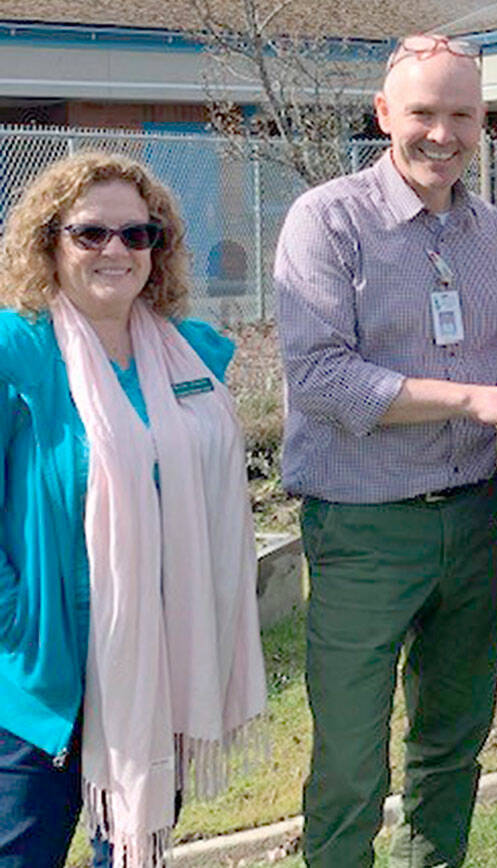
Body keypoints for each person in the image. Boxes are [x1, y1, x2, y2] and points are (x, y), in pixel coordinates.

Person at [274, 31, 497, 868]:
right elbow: (324, 376)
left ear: (483, 121)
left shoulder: (496, 232)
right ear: (383, 114)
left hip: (473, 522)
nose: (444, 134)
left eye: (462, 115)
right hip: (365, 529)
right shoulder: (328, 221)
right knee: (352, 760)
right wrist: (475, 397)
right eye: (424, 113)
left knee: (452, 744)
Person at [0, 151, 267, 868]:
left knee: (129, 852)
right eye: (90, 234)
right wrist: (15, 619)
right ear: (48, 240)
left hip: (164, 658)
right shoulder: (15, 351)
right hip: (41, 675)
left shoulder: (190, 355)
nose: (115, 250)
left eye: (137, 234)